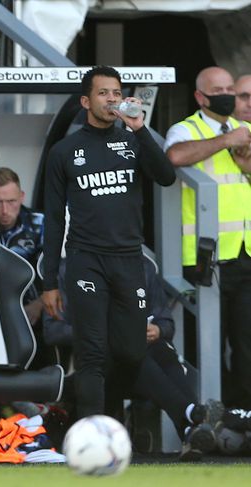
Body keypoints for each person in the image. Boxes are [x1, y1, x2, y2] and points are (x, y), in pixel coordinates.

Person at [42, 65, 177, 420]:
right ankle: (93, 431)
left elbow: (166, 176)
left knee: (132, 351)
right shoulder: (64, 151)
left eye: (116, 93)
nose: (112, 99)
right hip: (86, 259)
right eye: (103, 93)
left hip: (129, 260)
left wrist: (140, 128)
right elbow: (54, 220)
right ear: (87, 101)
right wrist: (50, 282)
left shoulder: (132, 141)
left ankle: (109, 414)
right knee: (92, 352)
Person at [44, 256, 222, 459]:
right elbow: (53, 331)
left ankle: (189, 426)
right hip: (91, 367)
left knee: (157, 348)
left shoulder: (143, 267)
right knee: (131, 346)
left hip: (138, 363)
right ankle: (190, 419)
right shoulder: (71, 270)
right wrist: (104, 333)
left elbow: (166, 323)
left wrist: (157, 330)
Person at [164, 66, 251, 408]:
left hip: (245, 254)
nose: (228, 94)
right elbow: (174, 156)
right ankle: (213, 413)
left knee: (246, 343)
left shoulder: (245, 130)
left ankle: (244, 418)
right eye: (220, 89)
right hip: (205, 258)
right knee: (206, 344)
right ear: (201, 96)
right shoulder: (186, 128)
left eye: (232, 87)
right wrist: (226, 141)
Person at [0, 167, 44, 327]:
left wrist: (40, 303)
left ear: (22, 197)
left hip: (31, 305)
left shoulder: (39, 224)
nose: (5, 210)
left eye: (11, 201)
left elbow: (59, 272)